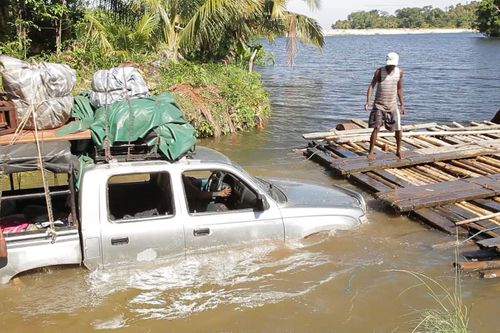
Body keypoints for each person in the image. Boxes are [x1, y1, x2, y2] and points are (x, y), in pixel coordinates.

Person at [364, 52, 406, 160]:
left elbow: (399, 88)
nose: (390, 66)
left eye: (392, 65)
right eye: (389, 64)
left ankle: (398, 150)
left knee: (398, 129)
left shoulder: (399, 72)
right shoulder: (379, 72)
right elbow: (372, 85)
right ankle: (371, 152)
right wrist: (368, 101)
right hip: (379, 105)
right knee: (376, 128)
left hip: (392, 105)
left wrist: (402, 105)